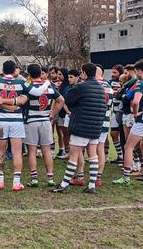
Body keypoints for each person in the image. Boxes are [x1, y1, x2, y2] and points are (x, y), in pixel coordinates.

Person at [0, 60, 52, 191]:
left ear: (2, 70)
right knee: (17, 152)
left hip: (1, 122)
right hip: (17, 122)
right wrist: (47, 82)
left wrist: (1, 103)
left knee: (0, 152)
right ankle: (16, 182)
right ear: (15, 70)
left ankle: (0, 181)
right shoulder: (22, 82)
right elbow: (36, 92)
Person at [51, 63, 107, 194]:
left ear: (84, 73)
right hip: (95, 126)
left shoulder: (81, 87)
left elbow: (68, 101)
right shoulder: (100, 87)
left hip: (81, 125)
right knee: (93, 155)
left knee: (74, 154)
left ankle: (64, 184)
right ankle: (92, 185)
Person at [23, 64, 64, 188]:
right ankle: (50, 178)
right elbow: (61, 100)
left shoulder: (28, 86)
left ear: (29, 74)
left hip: (31, 121)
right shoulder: (49, 86)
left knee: (32, 150)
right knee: (46, 149)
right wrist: (53, 114)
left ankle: (34, 178)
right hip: (46, 121)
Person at [108, 65, 124, 165]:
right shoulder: (110, 82)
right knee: (113, 134)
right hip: (114, 111)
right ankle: (120, 155)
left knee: (124, 136)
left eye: (115, 73)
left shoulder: (125, 81)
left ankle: (128, 157)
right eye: (112, 72)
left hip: (123, 112)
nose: (113, 75)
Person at [56, 68, 69, 159]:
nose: (58, 76)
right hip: (61, 113)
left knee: (68, 133)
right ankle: (66, 150)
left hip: (67, 113)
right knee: (64, 133)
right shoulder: (61, 86)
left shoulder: (69, 86)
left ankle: (70, 151)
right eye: (58, 74)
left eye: (60, 74)